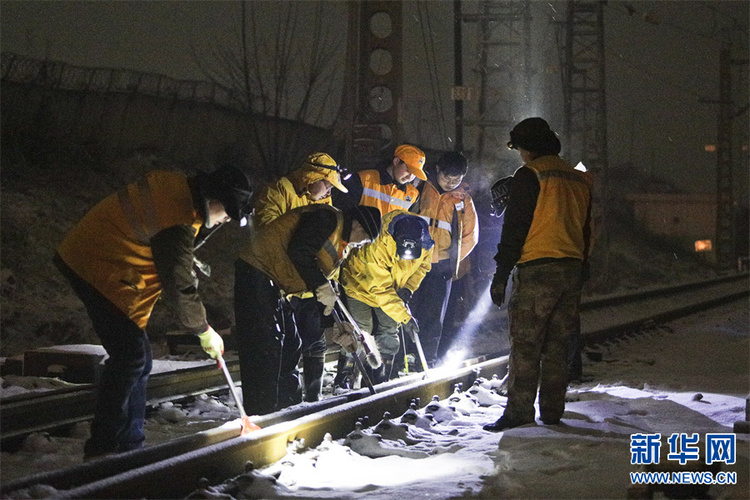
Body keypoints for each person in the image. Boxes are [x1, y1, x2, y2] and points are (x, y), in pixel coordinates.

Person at [54, 164, 253, 458]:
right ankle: (103, 449)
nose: (224, 221)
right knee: (130, 358)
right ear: (213, 199)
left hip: (108, 260)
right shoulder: (178, 216)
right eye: (226, 213)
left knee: (138, 359)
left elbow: (172, 258)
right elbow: (178, 282)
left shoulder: (182, 196)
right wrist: (203, 330)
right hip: (96, 265)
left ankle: (130, 444)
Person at [483, 117, 593, 432]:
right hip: (570, 268)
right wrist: (583, 264)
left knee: (527, 343)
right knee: (559, 345)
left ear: (528, 148)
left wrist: (501, 272)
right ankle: (552, 411)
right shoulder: (577, 178)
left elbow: (515, 229)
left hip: (537, 269)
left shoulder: (529, 175)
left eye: (519, 148)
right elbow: (586, 227)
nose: (519, 154)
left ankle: (519, 412)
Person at [234, 203, 381, 415]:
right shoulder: (327, 219)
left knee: (291, 344)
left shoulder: (341, 242)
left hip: (276, 283)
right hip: (257, 272)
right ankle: (262, 415)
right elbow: (299, 250)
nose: (361, 245)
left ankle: (287, 410)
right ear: (357, 225)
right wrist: (321, 285)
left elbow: (322, 286)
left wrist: (337, 325)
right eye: (364, 239)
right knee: (265, 346)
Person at [252, 152, 350, 402]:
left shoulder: (324, 202)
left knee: (314, 341)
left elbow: (328, 245)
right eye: (326, 183)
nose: (329, 190)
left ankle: (312, 398)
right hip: (282, 280)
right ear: (311, 177)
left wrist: (330, 281)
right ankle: (285, 399)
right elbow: (271, 235)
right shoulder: (279, 191)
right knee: (286, 345)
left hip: (308, 283)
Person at [336, 210, 435, 385]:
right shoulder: (378, 245)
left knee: (389, 330)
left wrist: (408, 289)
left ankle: (379, 376)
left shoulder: (426, 243)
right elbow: (380, 290)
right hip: (359, 286)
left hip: (391, 292)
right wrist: (404, 317)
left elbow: (423, 268)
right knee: (361, 330)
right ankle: (346, 375)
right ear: (396, 239)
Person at [407, 151, 478, 369]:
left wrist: (452, 262)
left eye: (456, 180)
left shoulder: (463, 201)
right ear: (437, 170)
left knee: (433, 316)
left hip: (441, 267)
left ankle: (426, 360)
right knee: (407, 309)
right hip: (411, 263)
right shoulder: (419, 187)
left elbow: (470, 236)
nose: (451, 183)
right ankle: (403, 357)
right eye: (447, 178)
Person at [332, 144, 426, 215]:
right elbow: (341, 214)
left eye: (415, 174)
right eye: (408, 170)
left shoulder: (413, 195)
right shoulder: (363, 180)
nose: (410, 177)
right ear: (396, 161)